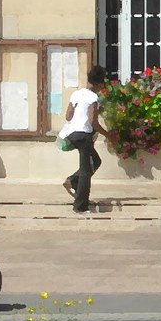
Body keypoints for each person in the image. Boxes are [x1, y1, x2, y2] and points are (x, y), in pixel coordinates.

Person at [62, 65, 111, 213]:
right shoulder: (93, 97)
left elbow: (68, 116)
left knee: (95, 161)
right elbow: (92, 122)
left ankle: (72, 181)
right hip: (84, 136)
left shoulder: (76, 94)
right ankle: (80, 206)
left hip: (72, 134)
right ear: (99, 83)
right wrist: (108, 134)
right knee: (86, 171)